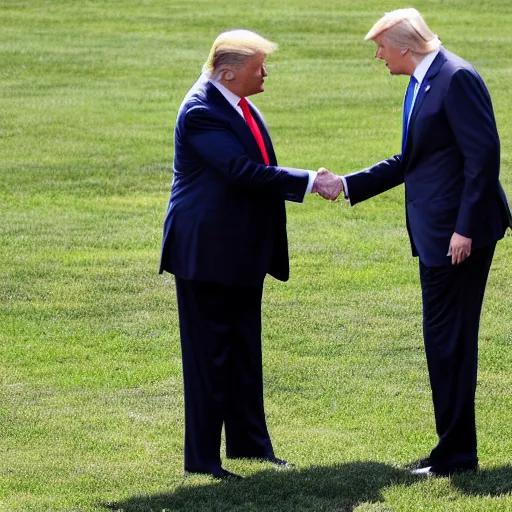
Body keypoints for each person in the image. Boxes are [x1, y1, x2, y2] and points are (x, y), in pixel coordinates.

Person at [159, 29, 341, 480]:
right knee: (209, 357)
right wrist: (308, 180)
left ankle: (249, 445)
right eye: (258, 66)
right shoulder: (202, 110)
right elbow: (241, 171)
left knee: (242, 349)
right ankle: (202, 458)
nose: (265, 73)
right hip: (207, 253)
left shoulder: (236, 102)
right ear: (227, 72)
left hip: (239, 251)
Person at [337, 8, 512, 476]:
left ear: (405, 47)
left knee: (450, 341)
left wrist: (466, 229)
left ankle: (455, 457)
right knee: (442, 341)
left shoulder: (456, 78)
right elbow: (412, 158)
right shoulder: (421, 82)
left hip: (458, 238)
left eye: (380, 47)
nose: (378, 56)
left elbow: (484, 156)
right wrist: (349, 184)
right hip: (437, 235)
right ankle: (452, 450)